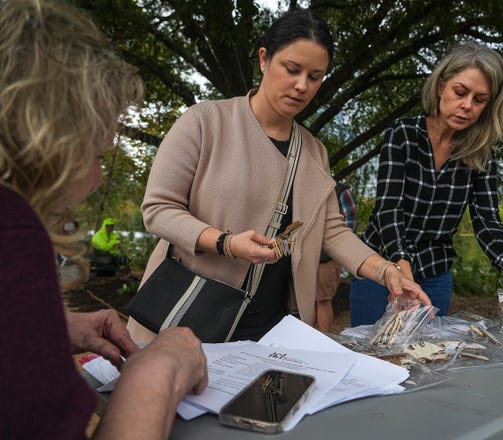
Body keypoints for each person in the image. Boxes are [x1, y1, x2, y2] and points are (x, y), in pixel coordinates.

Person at [127, 8, 431, 344]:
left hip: (271, 327)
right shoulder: (205, 122)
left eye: (315, 77)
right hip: (189, 317)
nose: (302, 85)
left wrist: (387, 271)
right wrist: (225, 243)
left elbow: (332, 231)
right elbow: (159, 210)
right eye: (292, 69)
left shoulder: (314, 151)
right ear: (263, 59)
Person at [0, 1, 208, 438]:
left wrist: (45, 326)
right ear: (40, 135)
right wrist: (160, 370)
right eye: (95, 153)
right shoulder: (12, 230)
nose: (97, 179)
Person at [349, 41, 503, 326]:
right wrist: (403, 279)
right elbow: (388, 211)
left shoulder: (481, 154)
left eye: (479, 100)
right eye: (460, 92)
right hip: (381, 270)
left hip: (435, 276)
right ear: (440, 87)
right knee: (372, 359)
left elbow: (488, 223)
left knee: (427, 362)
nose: (467, 106)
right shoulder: (403, 134)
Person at [315, 182, 357, 332]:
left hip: (327, 257)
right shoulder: (304, 187)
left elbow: (349, 224)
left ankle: (323, 339)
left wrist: (330, 249)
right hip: (304, 257)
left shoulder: (339, 190)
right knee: (303, 303)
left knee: (323, 300)